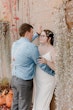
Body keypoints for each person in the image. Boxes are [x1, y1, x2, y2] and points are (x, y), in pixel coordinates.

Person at [11, 23, 55, 110]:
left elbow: (26, 43)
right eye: (32, 32)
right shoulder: (32, 47)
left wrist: (36, 34)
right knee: (24, 106)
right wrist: (53, 72)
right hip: (24, 82)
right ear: (27, 33)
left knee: (15, 104)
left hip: (14, 79)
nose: (33, 34)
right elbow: (41, 64)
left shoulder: (15, 44)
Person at [33, 30, 56, 110]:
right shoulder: (37, 48)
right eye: (40, 35)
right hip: (38, 80)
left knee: (43, 103)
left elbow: (57, 68)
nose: (40, 37)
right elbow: (26, 43)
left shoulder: (52, 50)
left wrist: (47, 62)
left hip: (48, 80)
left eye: (43, 36)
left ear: (49, 38)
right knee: (37, 101)